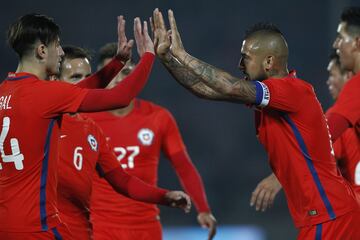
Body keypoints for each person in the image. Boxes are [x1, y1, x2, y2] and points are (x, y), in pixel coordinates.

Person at [152, 8, 360, 239]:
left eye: (246, 57)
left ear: (269, 61)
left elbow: (229, 86)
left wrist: (182, 54)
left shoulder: (292, 91)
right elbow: (205, 91)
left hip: (330, 215)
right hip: (324, 216)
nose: (240, 64)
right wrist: (168, 58)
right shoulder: (271, 100)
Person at [0, 13, 156, 239]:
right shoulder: (43, 94)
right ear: (42, 51)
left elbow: (80, 91)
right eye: (58, 45)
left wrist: (116, 63)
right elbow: (121, 97)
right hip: (36, 228)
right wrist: (148, 57)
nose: (61, 53)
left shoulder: (5, 91)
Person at [55, 45, 191, 239]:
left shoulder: (90, 129)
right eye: (76, 77)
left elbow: (121, 180)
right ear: (54, 80)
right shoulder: (43, 122)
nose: (88, 84)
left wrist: (164, 196)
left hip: (86, 232)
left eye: (90, 77)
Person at [86, 42, 216, 240]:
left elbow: (183, 166)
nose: (119, 79)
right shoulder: (86, 119)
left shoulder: (158, 117)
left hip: (146, 227)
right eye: (113, 73)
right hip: (100, 227)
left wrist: (203, 209)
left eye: (126, 72)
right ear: (101, 77)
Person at [249, 51, 357, 213]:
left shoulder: (339, 126)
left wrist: (278, 178)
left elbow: (315, 148)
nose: (328, 82)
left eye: (332, 75)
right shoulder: (346, 125)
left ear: (348, 77)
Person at [327, 7, 360, 142]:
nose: (336, 44)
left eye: (341, 37)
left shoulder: (356, 86)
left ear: (357, 43)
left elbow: (322, 136)